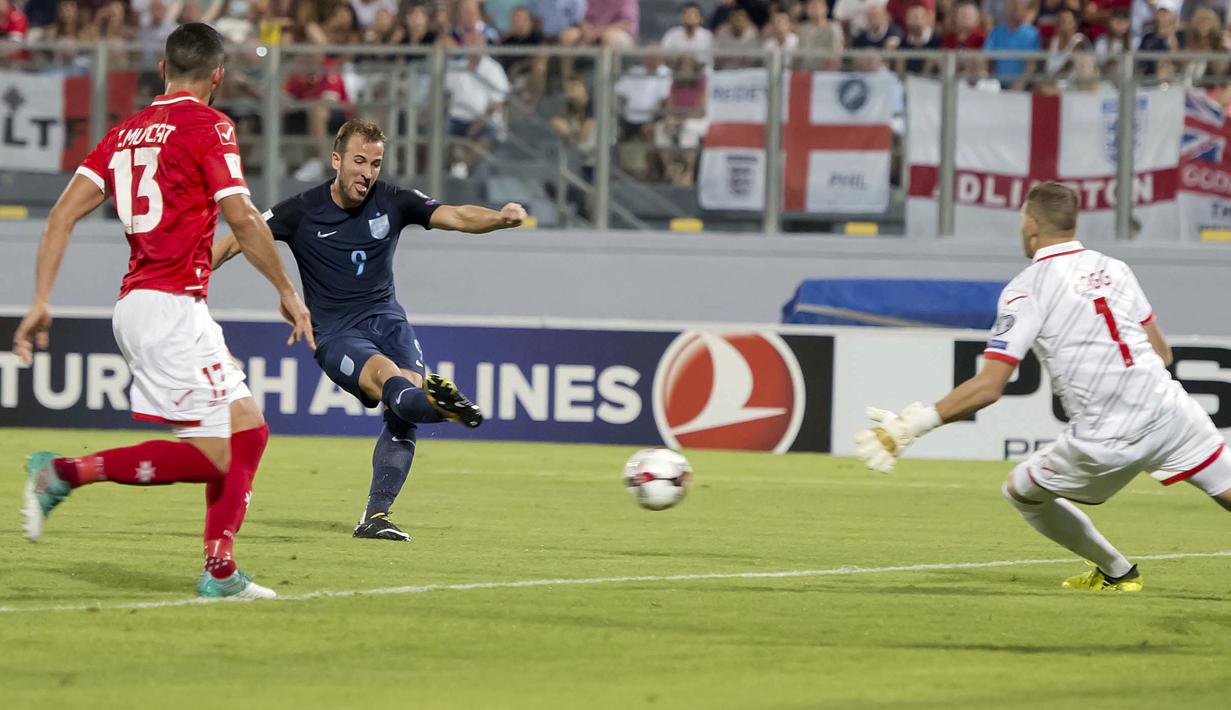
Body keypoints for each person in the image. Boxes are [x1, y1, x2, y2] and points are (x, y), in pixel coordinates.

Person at [13, 23, 314, 600]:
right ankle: (62, 474)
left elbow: (59, 216)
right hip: (167, 308)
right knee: (211, 455)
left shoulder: (123, 134)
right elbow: (244, 218)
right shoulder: (210, 124)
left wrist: (42, 300)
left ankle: (220, 568)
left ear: (164, 70)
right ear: (218, 76)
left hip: (163, 304)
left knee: (248, 429)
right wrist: (286, 289)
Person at [854, 182, 1231, 592]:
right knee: (1226, 488)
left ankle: (1116, 571)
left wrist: (911, 426)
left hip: (1108, 434)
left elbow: (989, 386)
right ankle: (1115, 571)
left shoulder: (1027, 287)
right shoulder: (1115, 268)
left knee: (1022, 490)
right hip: (1170, 410)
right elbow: (1161, 353)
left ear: (1031, 225)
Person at [211, 119, 528, 542]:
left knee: (405, 405)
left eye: (375, 163)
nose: (367, 172)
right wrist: (184, 278)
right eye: (359, 161)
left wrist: (500, 219)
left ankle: (377, 515)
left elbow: (454, 214)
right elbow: (237, 238)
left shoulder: (393, 201)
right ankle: (443, 408)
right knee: (390, 380)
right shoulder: (301, 210)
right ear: (337, 160)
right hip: (338, 334)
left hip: (388, 321)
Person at [983, 0, 1041, 89]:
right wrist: (989, 80)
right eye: (1012, 8)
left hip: (1023, 85)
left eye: (1018, 8)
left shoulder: (1032, 33)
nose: (1015, 11)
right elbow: (986, 58)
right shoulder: (996, 32)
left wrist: (1021, 82)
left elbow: (1031, 64)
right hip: (997, 83)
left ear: (1024, 10)